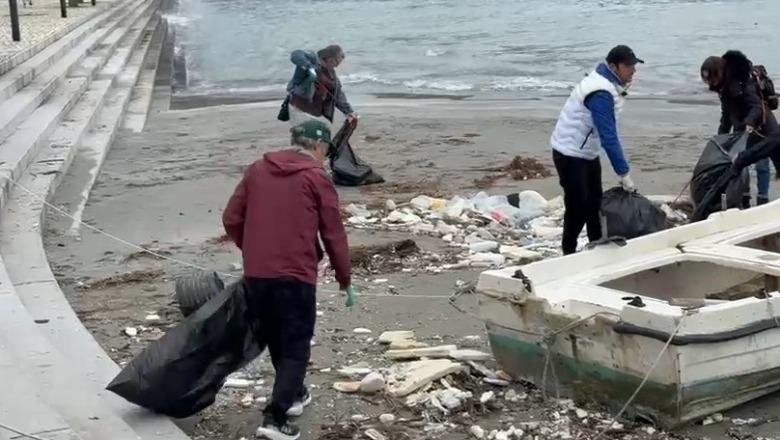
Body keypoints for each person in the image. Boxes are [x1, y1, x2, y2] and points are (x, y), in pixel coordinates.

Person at [222, 120, 355, 440]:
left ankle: (294, 393)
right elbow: (333, 232)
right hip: (295, 276)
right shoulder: (315, 177)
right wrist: (344, 277)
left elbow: (231, 218)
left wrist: (252, 248)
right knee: (295, 343)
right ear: (318, 147)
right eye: (325, 151)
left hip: (257, 274)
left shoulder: (257, 170)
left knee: (276, 337)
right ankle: (275, 417)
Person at [549, 45, 643, 255]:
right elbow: (609, 137)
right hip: (569, 153)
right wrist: (624, 174)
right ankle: (568, 254)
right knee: (577, 207)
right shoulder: (600, 92)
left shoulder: (608, 84)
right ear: (613, 66)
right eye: (628, 66)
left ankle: (595, 249)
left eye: (634, 66)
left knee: (594, 204)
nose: (633, 71)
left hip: (585, 152)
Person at [700, 50, 778, 206]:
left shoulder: (745, 82)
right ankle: (745, 197)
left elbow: (756, 107)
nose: (711, 84)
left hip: (761, 128)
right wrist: (721, 139)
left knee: (761, 163)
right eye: (707, 81)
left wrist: (749, 123)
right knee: (741, 163)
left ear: (720, 72)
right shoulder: (724, 88)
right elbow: (726, 114)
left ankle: (763, 198)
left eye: (712, 79)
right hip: (741, 129)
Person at [284, 44, 358, 126]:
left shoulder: (333, 77)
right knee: (301, 135)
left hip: (316, 113)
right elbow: (296, 54)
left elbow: (338, 96)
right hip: (298, 107)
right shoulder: (312, 60)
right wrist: (309, 67)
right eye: (337, 62)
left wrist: (349, 112)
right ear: (330, 58)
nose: (336, 66)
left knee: (319, 135)